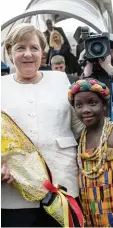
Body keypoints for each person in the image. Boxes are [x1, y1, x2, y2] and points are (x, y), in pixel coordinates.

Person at [1, 23, 83, 227]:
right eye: (20, 48)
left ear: (42, 53)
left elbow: (81, 129)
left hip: (62, 187)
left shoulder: (62, 80)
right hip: (14, 193)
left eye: (34, 48)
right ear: (11, 53)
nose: (27, 54)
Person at [68, 78, 113, 227]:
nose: (85, 109)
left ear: (104, 105)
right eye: (79, 105)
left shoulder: (111, 135)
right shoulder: (79, 140)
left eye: (92, 103)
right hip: (90, 216)